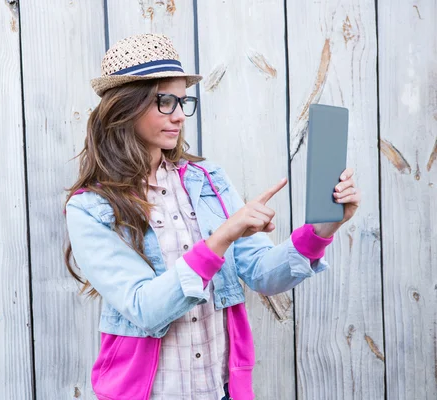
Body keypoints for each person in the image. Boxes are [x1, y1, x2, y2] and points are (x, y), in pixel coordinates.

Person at [64, 33, 360, 400]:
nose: (178, 115)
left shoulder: (208, 181)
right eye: (165, 101)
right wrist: (222, 237)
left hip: (220, 391)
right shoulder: (91, 208)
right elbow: (144, 307)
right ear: (126, 107)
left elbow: (264, 275)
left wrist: (323, 228)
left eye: (182, 102)